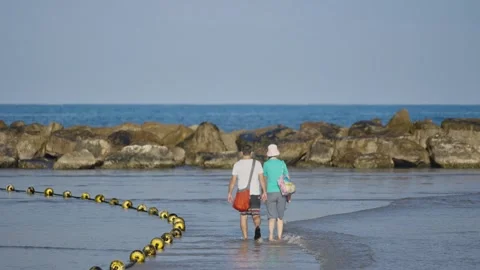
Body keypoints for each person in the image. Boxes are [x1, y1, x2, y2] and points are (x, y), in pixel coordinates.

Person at [228, 144, 267, 241]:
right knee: (256, 214)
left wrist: (229, 193)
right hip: (255, 193)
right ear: (251, 153)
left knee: (243, 216)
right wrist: (264, 191)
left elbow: (233, 181)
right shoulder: (257, 163)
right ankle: (257, 228)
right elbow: (261, 179)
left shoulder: (237, 164)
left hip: (242, 194)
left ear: (241, 153)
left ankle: (245, 238)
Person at [263, 144, 290, 241]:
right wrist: (289, 194)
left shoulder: (266, 164)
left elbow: (264, 179)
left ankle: (270, 236)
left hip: (270, 191)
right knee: (280, 217)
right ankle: (279, 237)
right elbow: (287, 178)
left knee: (271, 216)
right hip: (281, 192)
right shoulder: (282, 163)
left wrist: (263, 192)